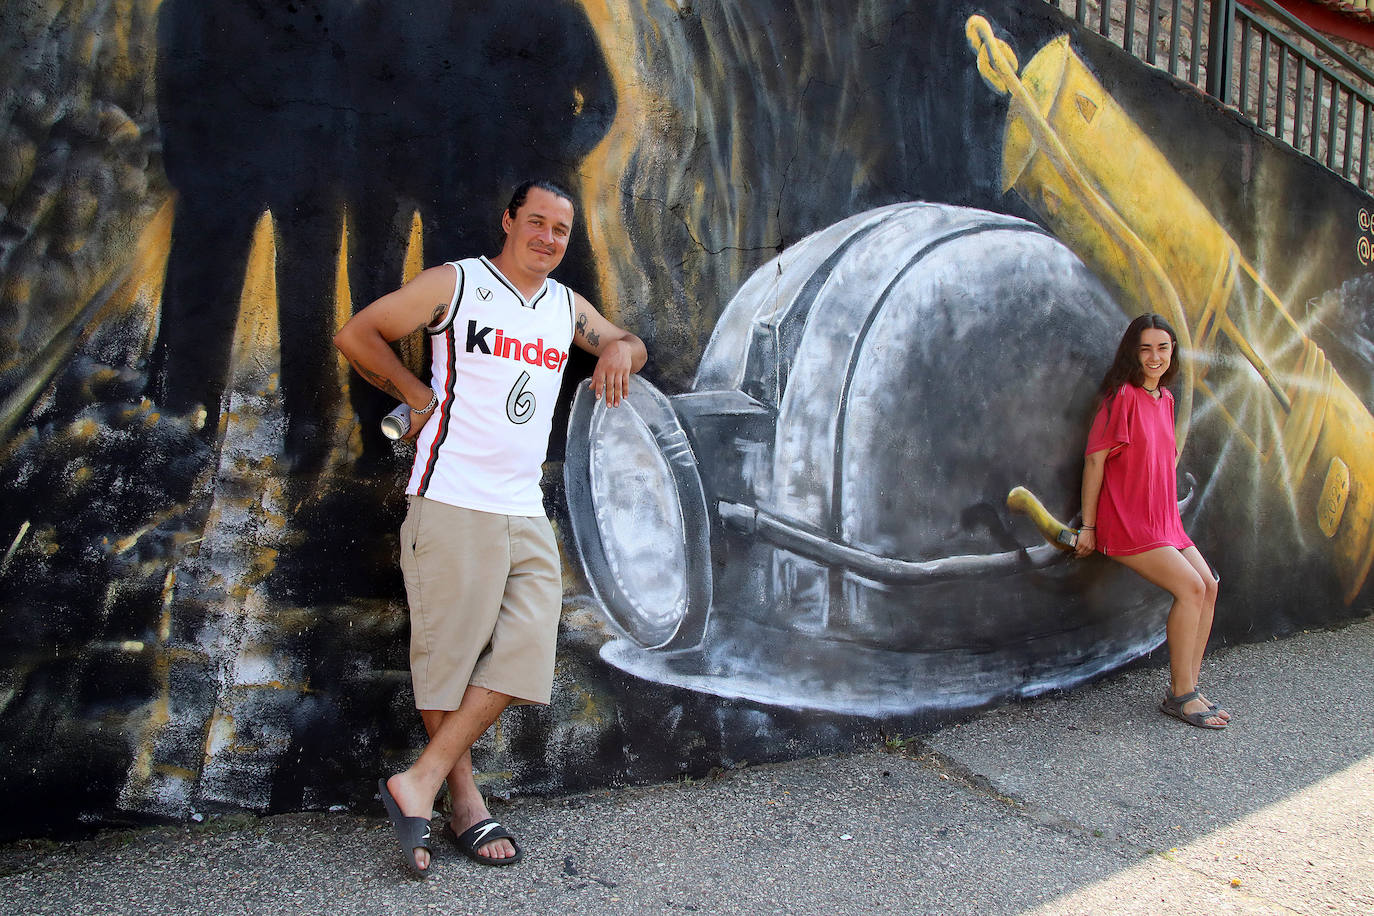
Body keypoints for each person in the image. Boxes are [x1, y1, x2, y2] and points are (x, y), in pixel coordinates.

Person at [334, 180, 647, 875]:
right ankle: (463, 804)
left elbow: (619, 339)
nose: (547, 238)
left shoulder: (565, 307)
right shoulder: (458, 284)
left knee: (527, 649)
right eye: (535, 222)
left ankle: (418, 782)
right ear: (508, 220)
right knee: (447, 668)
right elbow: (357, 334)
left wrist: (624, 348)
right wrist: (416, 394)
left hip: (521, 507)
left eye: (560, 230)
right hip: (452, 502)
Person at [1073, 313, 1229, 730]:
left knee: (1210, 586)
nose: (1154, 356)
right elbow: (1094, 461)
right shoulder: (1121, 396)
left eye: (1163, 347)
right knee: (1191, 587)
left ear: (1172, 352)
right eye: (1146, 348)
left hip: (1164, 520)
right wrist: (1089, 526)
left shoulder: (1166, 399)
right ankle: (1182, 696)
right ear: (1132, 352)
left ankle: (1189, 686)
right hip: (1129, 522)